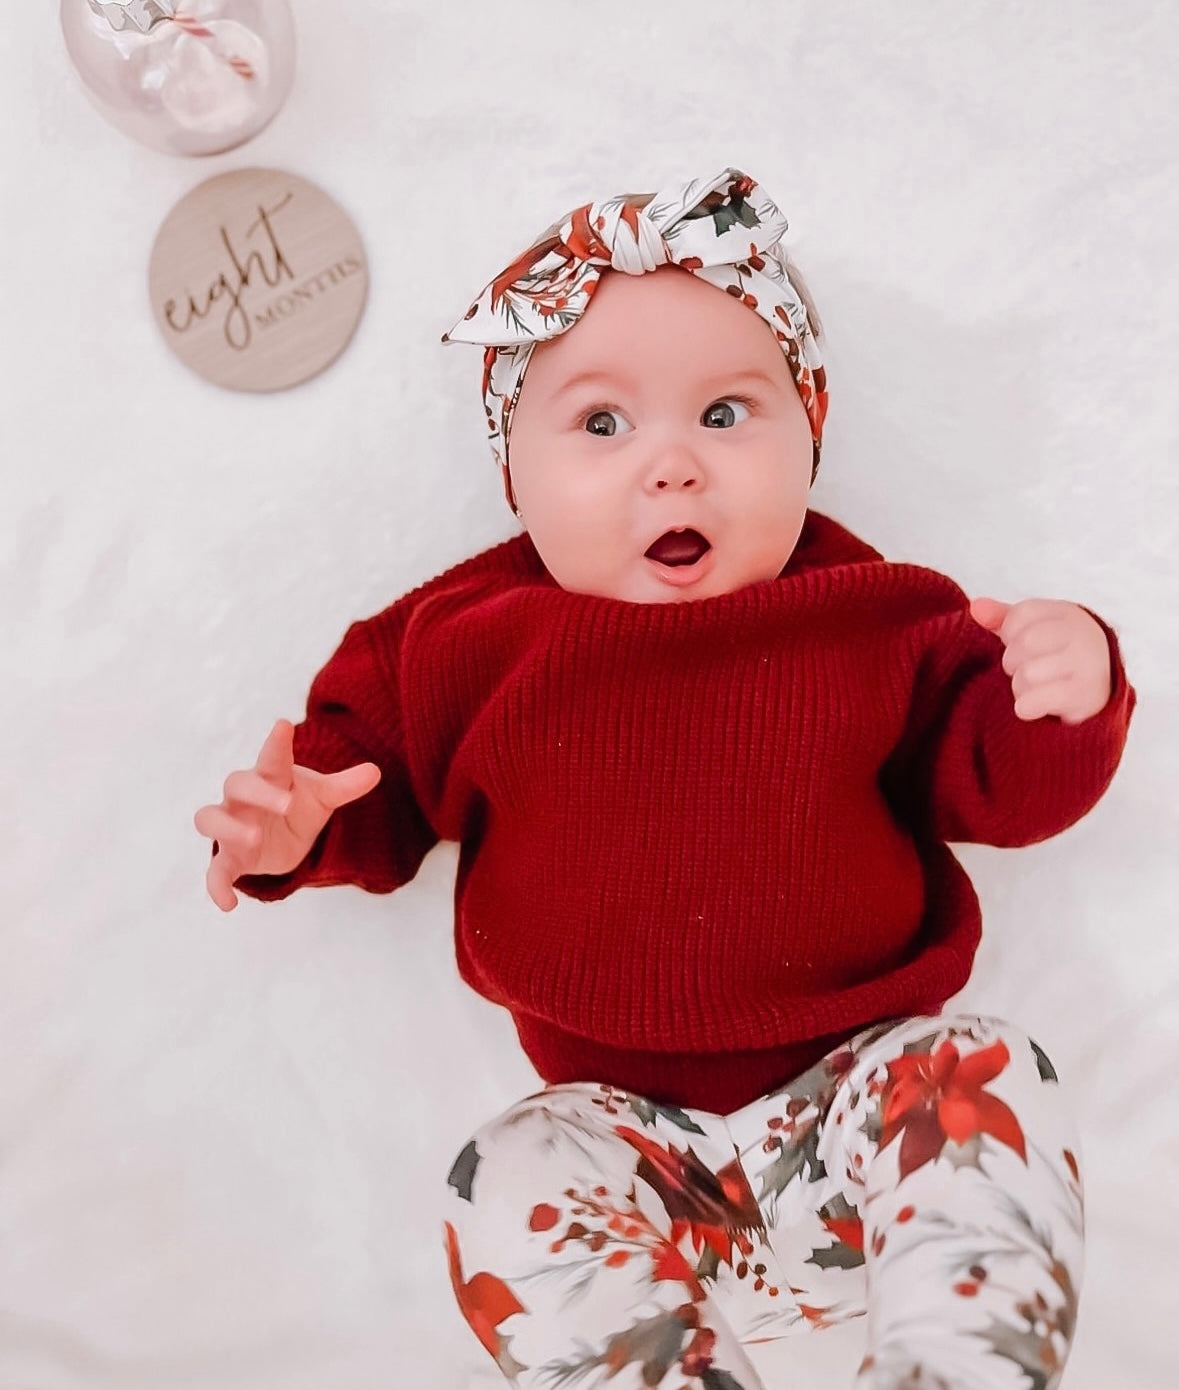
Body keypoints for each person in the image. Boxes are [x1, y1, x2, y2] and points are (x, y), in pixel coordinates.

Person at [193, 168, 1136, 1390]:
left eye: (729, 415)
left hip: (859, 1106)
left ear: (812, 431)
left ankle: (953, 1368)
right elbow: (369, 776)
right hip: (625, 1154)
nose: (673, 467)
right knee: (504, 1170)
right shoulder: (462, 642)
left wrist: (1067, 690)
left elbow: (1002, 791)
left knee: (985, 1071)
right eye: (600, 425)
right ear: (511, 475)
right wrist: (298, 825)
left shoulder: (872, 614)